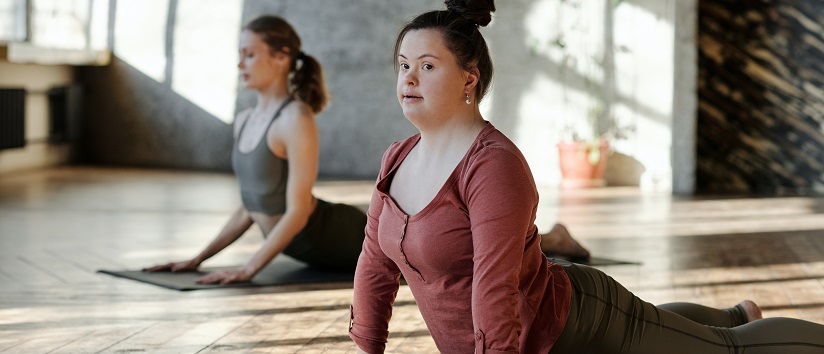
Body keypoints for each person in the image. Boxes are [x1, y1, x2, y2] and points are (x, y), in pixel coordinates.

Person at [348, 1, 824, 353]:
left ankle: (739, 326)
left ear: (469, 79)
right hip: (532, 329)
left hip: (577, 322)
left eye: (427, 67)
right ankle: (737, 313)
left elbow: (494, 288)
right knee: (666, 328)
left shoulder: (492, 166)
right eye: (404, 66)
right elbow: (374, 266)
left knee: (727, 349)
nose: (408, 79)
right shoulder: (396, 158)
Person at [144, 15, 587, 285]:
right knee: (454, 239)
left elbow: (295, 213)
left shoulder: (295, 120)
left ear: (281, 58)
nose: (239, 64)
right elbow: (252, 204)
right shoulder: (245, 120)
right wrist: (198, 258)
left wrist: (249, 269)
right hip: (304, 244)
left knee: (458, 247)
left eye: (249, 54)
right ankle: (552, 237)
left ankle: (553, 240)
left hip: (334, 235)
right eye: (239, 55)